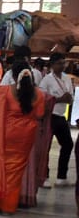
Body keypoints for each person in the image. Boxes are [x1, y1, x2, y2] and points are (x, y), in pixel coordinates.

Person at [0, 63, 47, 215]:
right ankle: (7, 206)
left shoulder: (4, 91)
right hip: (25, 137)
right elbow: (39, 115)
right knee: (14, 172)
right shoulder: (39, 94)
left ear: (13, 76)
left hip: (3, 134)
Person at [38, 53, 75, 187]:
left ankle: (61, 177)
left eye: (63, 63)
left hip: (61, 116)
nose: (62, 66)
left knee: (68, 144)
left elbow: (70, 97)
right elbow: (42, 100)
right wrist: (59, 99)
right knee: (46, 147)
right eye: (59, 63)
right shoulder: (46, 80)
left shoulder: (66, 78)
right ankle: (44, 177)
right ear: (52, 65)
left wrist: (69, 99)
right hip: (49, 116)